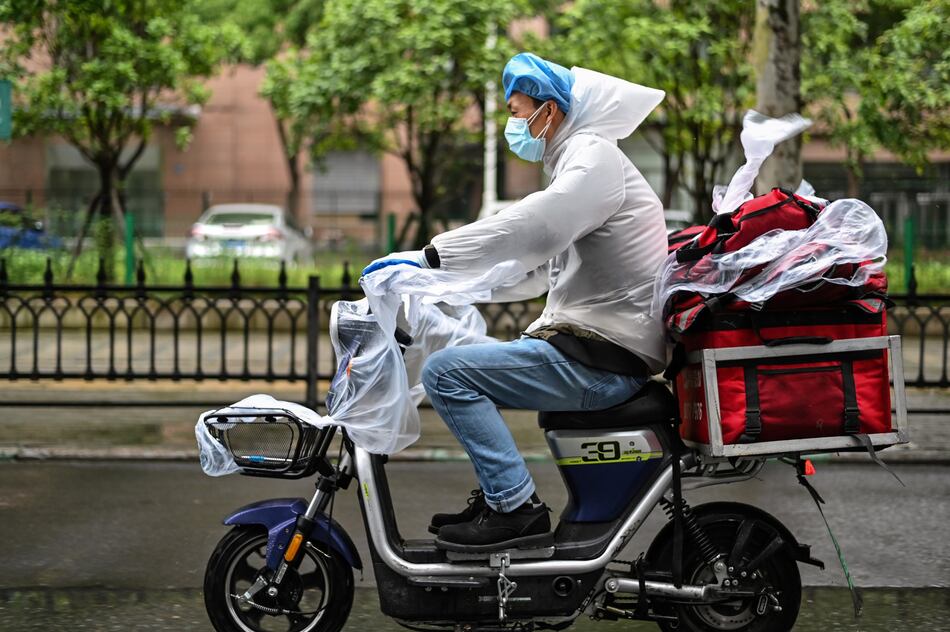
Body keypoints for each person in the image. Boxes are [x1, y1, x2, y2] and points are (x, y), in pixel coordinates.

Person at [362, 52, 669, 550]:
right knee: (460, 358)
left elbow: (534, 226)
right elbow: (531, 273)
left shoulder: (594, 158)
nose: (513, 122)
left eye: (516, 109)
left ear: (549, 110)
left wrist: (431, 257)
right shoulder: (581, 162)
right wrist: (432, 288)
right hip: (596, 349)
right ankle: (502, 498)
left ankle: (513, 506)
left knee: (446, 372)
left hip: (601, 359)